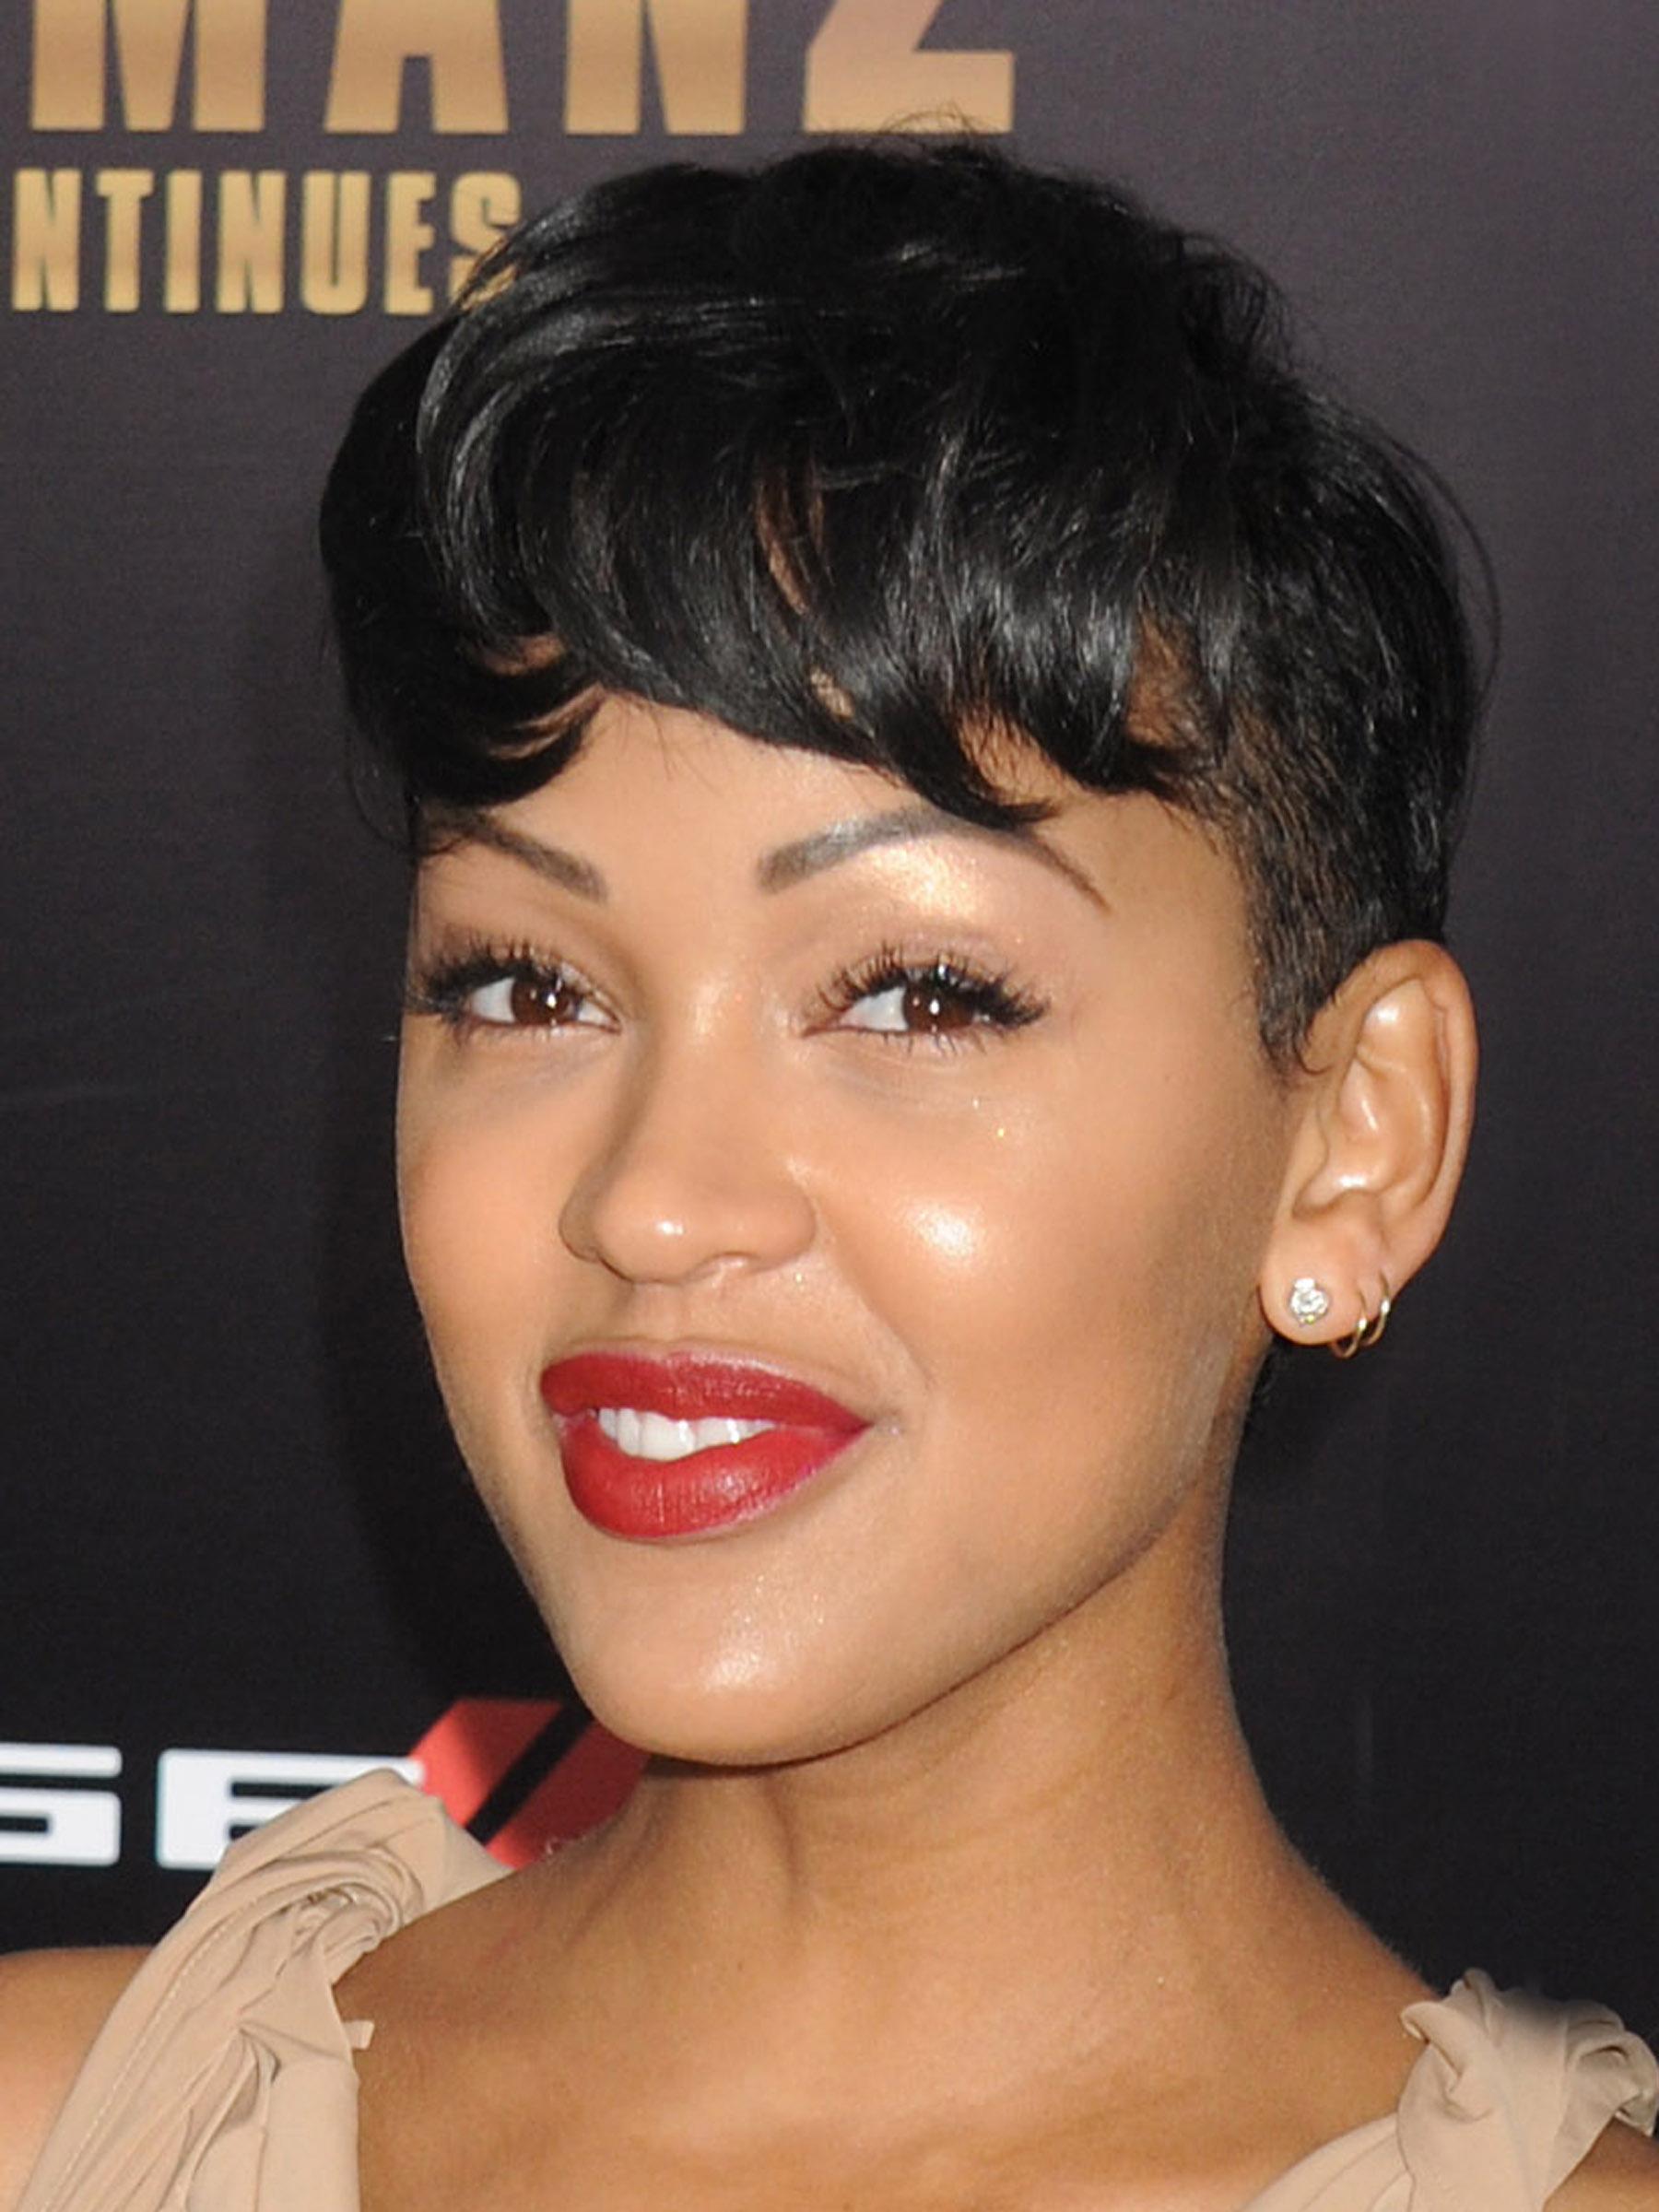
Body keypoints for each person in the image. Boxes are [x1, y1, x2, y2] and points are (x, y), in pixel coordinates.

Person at [2, 140, 1655, 2211]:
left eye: (915, 997)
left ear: (1358, 1136)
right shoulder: (56, 2131)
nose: (654, 1201)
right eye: (526, 987)